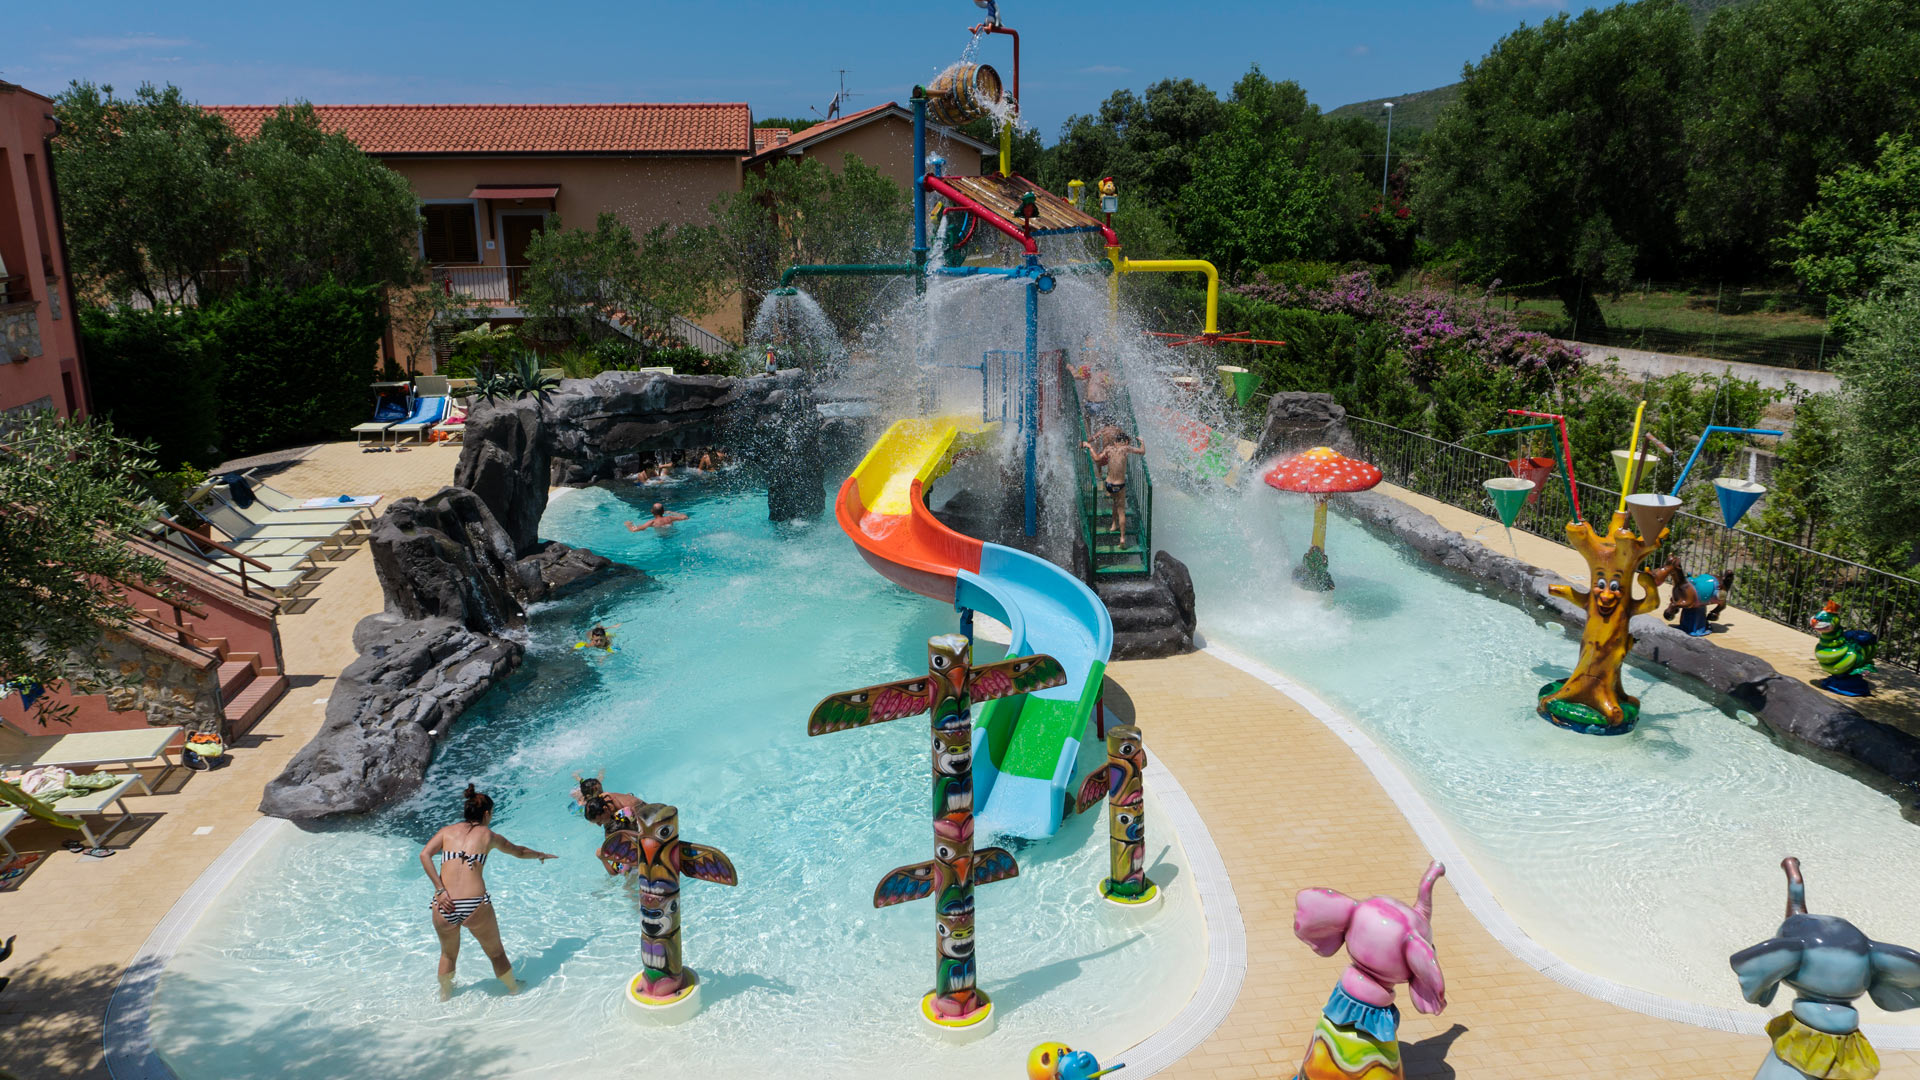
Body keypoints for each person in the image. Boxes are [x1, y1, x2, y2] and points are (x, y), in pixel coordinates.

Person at [418, 784, 557, 999]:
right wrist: (541, 854)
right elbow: (519, 852)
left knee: (448, 954)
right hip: (474, 904)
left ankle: (445, 994)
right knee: (496, 953)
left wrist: (440, 890)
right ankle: (514, 989)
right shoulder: (488, 835)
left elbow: (424, 855)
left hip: (444, 903)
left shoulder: (446, 832)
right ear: (486, 814)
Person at [1083, 432, 1147, 546]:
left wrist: (1090, 447)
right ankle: (1122, 538)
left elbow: (1097, 459)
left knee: (1114, 502)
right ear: (1125, 442)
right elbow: (1142, 452)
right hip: (1120, 485)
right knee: (1121, 510)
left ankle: (1113, 524)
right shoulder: (1126, 449)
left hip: (1109, 485)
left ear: (1115, 442)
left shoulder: (1108, 449)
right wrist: (1142, 441)